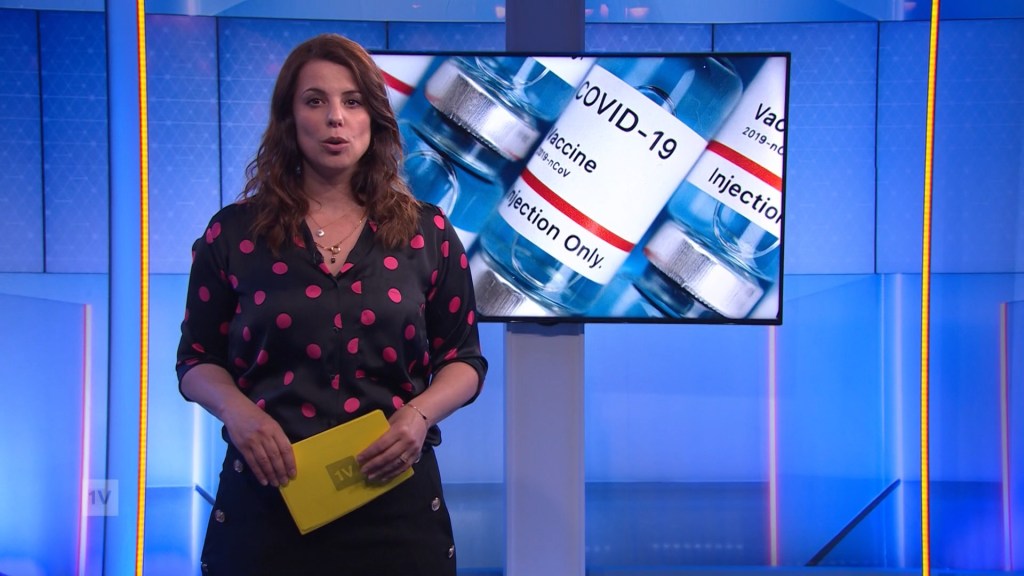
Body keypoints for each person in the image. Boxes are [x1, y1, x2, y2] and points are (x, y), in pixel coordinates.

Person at [175, 34, 487, 575]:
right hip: (268, 502)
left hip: (395, 503)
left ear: (374, 118)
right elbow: (196, 359)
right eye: (315, 101)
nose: (335, 118)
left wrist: (418, 416)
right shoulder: (234, 234)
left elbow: (463, 359)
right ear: (289, 119)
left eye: (352, 101)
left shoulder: (429, 232)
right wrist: (238, 413)